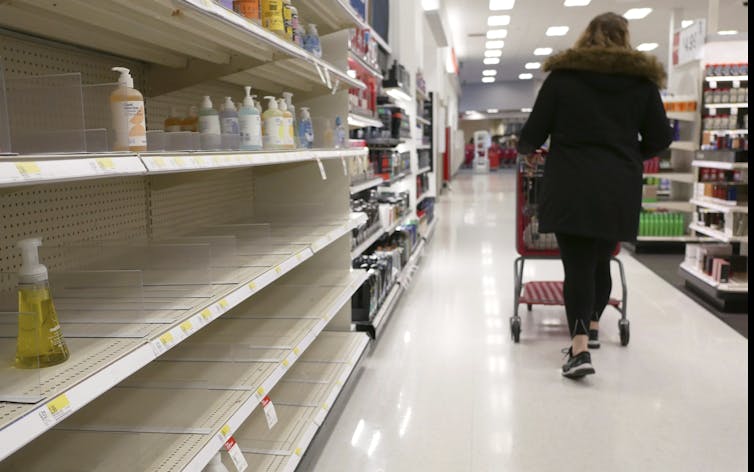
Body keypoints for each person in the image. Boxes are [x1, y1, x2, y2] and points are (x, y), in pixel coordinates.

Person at [517, 12, 672, 379]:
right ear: (625, 38)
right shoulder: (642, 84)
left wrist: (530, 148)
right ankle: (592, 325)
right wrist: (632, 153)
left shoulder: (563, 79)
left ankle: (580, 347)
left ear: (586, 37)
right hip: (618, 183)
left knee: (577, 265)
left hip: (571, 181)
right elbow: (661, 138)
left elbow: (531, 135)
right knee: (602, 259)